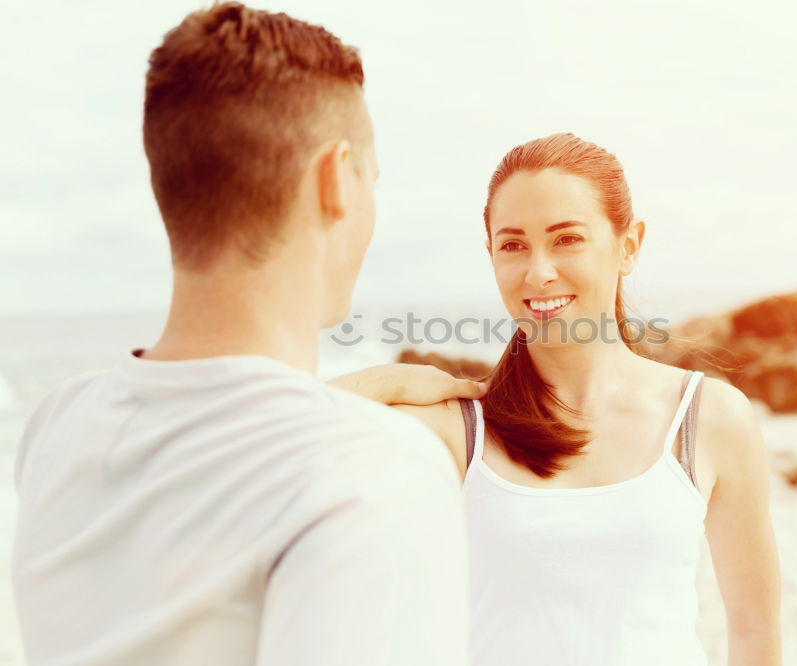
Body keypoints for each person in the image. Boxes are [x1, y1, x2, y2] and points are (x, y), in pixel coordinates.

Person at [11, 4, 480, 665]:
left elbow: (213, 429)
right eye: (372, 180)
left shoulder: (56, 429)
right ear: (336, 177)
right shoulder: (380, 472)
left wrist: (356, 394)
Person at [392, 133, 783, 665]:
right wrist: (381, 384)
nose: (538, 272)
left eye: (567, 239)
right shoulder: (456, 430)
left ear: (628, 246)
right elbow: (265, 445)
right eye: (512, 245)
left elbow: (754, 634)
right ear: (491, 255)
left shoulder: (708, 419)